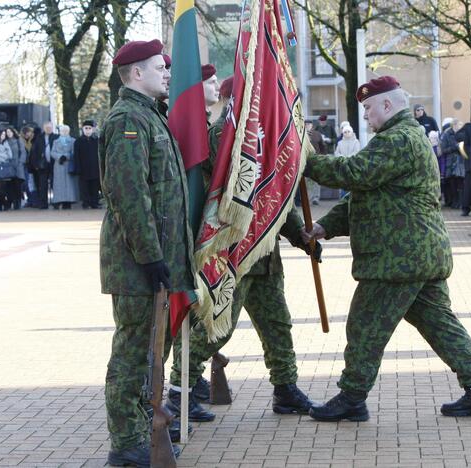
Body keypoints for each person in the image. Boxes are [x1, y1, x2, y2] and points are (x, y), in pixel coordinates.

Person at [302, 75, 471, 422]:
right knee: (439, 323)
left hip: (398, 258)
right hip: (417, 255)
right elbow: (366, 196)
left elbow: (354, 172)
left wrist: (303, 160)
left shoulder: (399, 139)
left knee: (365, 324)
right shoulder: (402, 138)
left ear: (388, 105)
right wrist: (324, 226)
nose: (365, 116)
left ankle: (352, 397)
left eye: (368, 108)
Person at [167, 75, 316, 424]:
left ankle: (285, 387)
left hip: (263, 250)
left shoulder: (261, 135)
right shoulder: (223, 134)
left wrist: (300, 237)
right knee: (216, 325)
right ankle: (180, 391)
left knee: (277, 322)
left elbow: (275, 197)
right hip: (231, 251)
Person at [99, 38, 194, 467]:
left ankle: (141, 430)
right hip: (139, 264)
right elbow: (130, 195)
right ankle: (127, 444)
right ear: (137, 73)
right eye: (159, 67)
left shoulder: (151, 117)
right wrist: (151, 255)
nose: (167, 73)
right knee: (133, 356)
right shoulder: (127, 121)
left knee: (153, 354)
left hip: (161, 261)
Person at [28, 121, 58, 209]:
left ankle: (56, 202)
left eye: (50, 127)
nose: (48, 129)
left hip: (54, 164)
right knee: (42, 185)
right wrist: (36, 165)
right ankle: (43, 203)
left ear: (52, 128)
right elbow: (34, 152)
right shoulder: (39, 138)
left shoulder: (56, 137)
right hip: (42, 165)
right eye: (47, 128)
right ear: (44, 128)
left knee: (55, 184)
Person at [74, 120, 101, 209]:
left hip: (95, 168)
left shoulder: (97, 140)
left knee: (94, 186)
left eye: (89, 128)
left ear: (93, 129)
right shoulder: (78, 141)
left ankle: (94, 203)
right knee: (84, 187)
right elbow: (76, 156)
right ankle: (85, 202)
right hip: (83, 168)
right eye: (86, 128)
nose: (88, 130)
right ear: (83, 129)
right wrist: (77, 168)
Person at [50, 125, 78, 209]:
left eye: (66, 131)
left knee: (69, 184)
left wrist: (66, 156)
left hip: (68, 165)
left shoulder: (73, 141)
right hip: (58, 165)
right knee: (58, 184)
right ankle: (58, 200)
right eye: (62, 131)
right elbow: (52, 152)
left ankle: (68, 201)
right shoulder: (55, 141)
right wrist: (59, 157)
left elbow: (74, 152)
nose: (64, 132)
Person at [440, 119, 466, 209]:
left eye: (460, 124)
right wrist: (455, 147)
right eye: (457, 124)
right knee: (452, 184)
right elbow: (443, 149)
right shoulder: (447, 134)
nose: (458, 126)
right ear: (453, 125)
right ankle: (454, 202)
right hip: (451, 162)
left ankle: (461, 202)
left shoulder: (463, 134)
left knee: (461, 183)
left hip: (461, 162)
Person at [305, 119, 327, 205]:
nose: (307, 126)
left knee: (316, 180)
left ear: (312, 125)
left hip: (316, 160)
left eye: (309, 124)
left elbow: (323, 146)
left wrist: (323, 157)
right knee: (307, 181)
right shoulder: (300, 134)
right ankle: (308, 198)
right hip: (305, 161)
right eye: (306, 124)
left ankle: (316, 198)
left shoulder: (317, 134)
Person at [5, 127, 27, 210]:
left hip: (18, 165)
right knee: (9, 185)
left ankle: (17, 202)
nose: (9, 133)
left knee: (17, 185)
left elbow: (23, 152)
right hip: (8, 166)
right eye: (7, 132)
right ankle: (10, 201)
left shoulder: (18, 140)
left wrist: (21, 162)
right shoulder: (5, 142)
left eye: (10, 131)